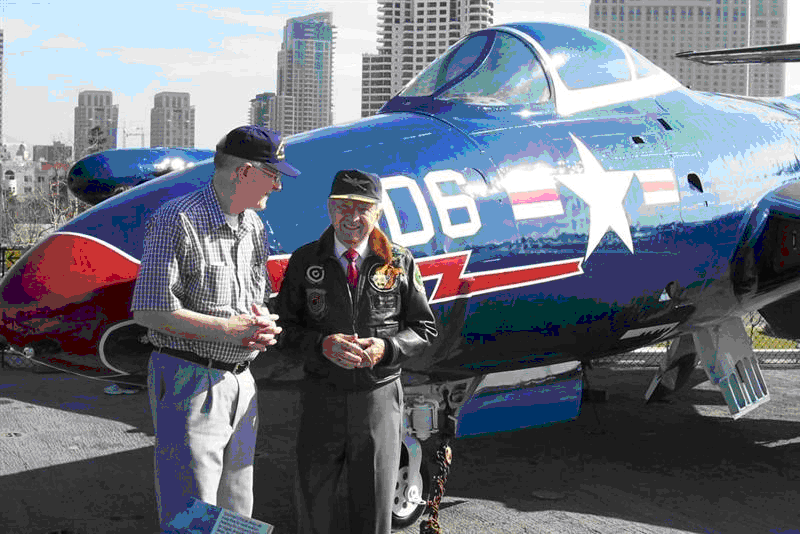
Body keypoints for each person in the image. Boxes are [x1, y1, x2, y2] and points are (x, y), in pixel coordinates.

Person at [130, 125, 300, 531]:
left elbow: (255, 300)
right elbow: (150, 310)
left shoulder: (252, 226)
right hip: (190, 378)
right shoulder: (177, 219)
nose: (277, 186)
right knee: (192, 515)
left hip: (241, 381)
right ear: (245, 173)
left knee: (237, 512)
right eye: (273, 175)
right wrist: (229, 330)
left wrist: (262, 325)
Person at [275, 169, 437, 534]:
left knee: (375, 505)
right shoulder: (305, 261)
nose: (352, 217)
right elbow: (283, 328)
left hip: (377, 398)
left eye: (362, 208)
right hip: (321, 395)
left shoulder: (398, 261)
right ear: (329, 210)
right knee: (313, 503)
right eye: (342, 207)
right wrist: (322, 344)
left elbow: (425, 329)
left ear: (378, 213)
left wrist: (388, 347)